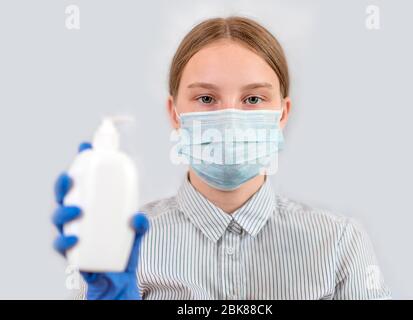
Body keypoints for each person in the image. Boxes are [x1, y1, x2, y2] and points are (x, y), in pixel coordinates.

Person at [52, 16, 392, 300]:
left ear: (283, 113)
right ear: (174, 112)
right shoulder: (124, 246)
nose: (229, 116)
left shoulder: (338, 243)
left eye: (254, 99)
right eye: (205, 98)